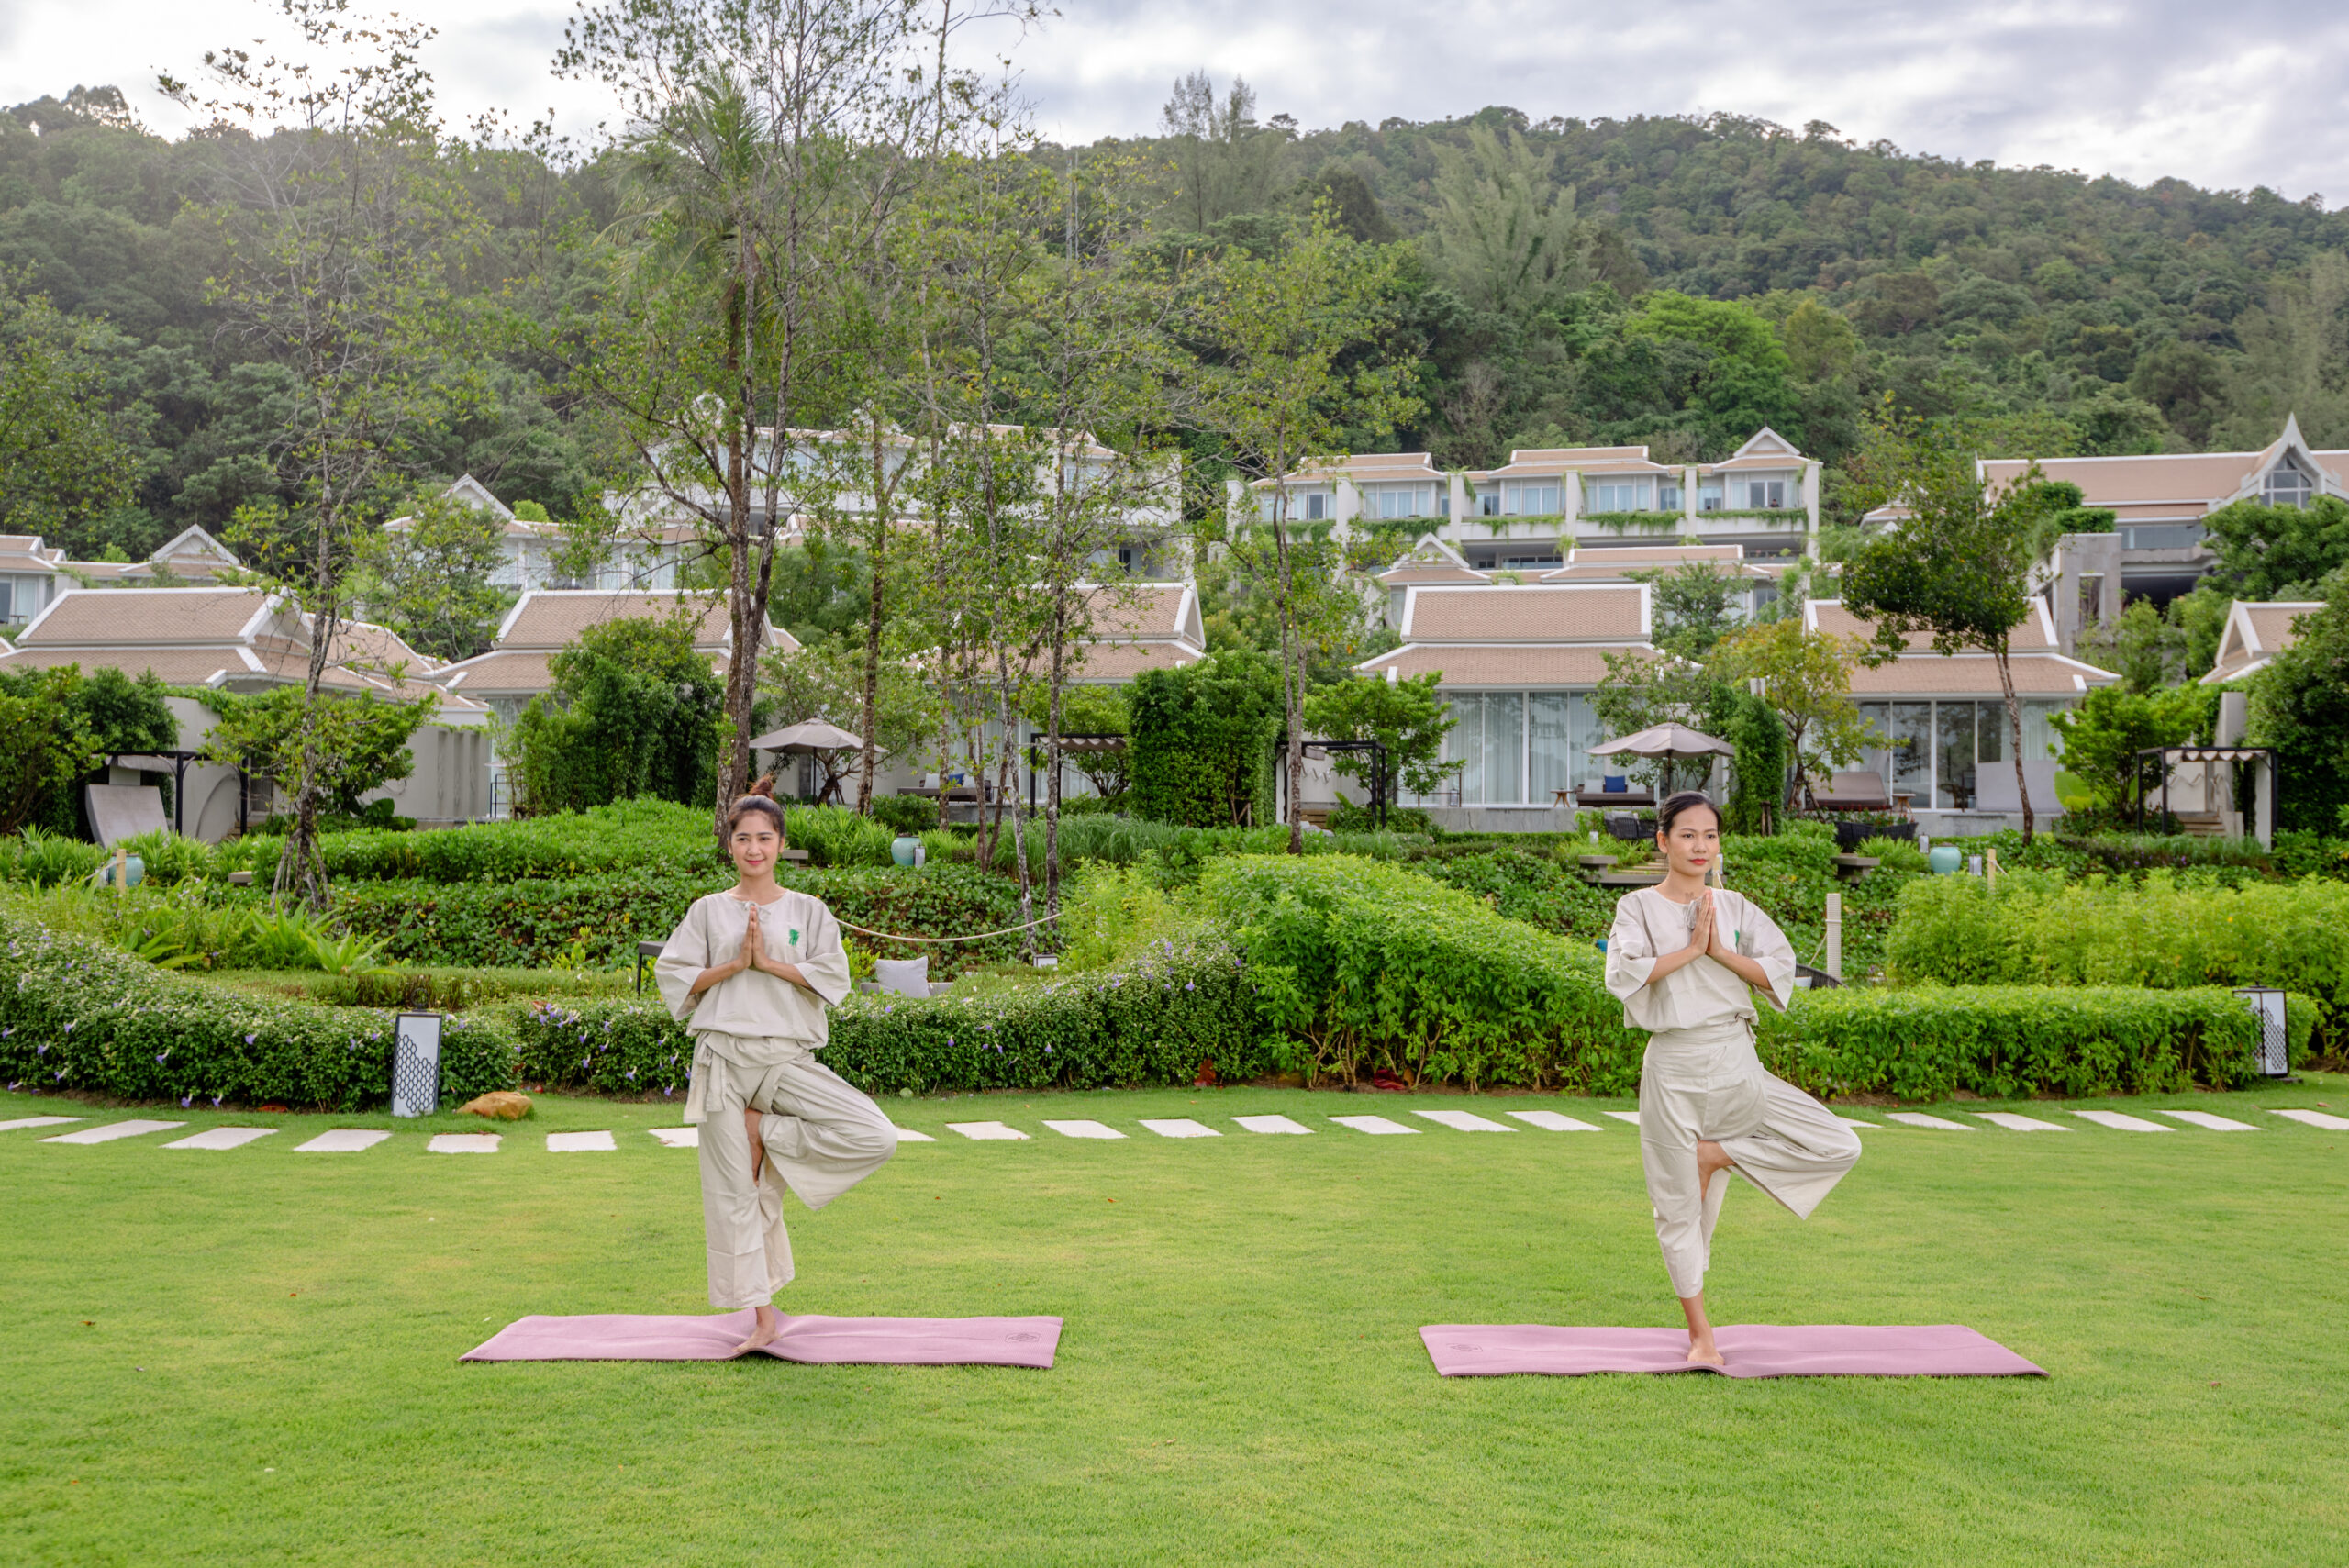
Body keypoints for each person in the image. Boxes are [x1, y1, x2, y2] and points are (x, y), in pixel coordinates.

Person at [1603, 790, 1861, 1366]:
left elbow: (1778, 971)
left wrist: (1718, 950)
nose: (1701, 846)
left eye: (1711, 835)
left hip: (1734, 1058)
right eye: (1688, 835)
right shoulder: (1637, 908)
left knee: (1840, 1143)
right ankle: (1702, 1338)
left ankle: (1719, 1153)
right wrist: (1693, 948)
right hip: (1672, 1067)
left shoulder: (1737, 906)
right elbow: (1627, 973)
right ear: (1663, 841)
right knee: (1679, 1210)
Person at [654, 776, 897, 1354]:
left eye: (765, 837)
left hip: (786, 1058)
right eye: (743, 838)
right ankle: (763, 1318)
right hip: (721, 1061)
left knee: (875, 1134)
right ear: (730, 845)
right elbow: (677, 979)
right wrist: (735, 964)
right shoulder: (708, 910)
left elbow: (832, 978)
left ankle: (766, 1130)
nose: (754, 848)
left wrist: (769, 963)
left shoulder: (808, 911)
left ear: (781, 842)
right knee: (738, 1193)